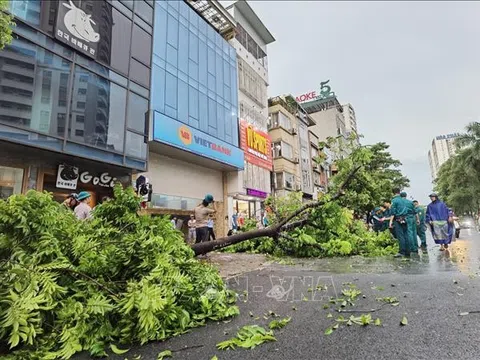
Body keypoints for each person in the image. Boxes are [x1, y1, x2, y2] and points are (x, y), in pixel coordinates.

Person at [389, 189, 415, 258]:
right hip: (405, 218)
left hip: (398, 219)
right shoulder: (404, 200)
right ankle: (408, 251)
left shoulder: (394, 200)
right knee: (406, 235)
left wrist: (390, 222)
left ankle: (401, 252)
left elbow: (393, 212)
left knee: (400, 236)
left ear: (393, 193)